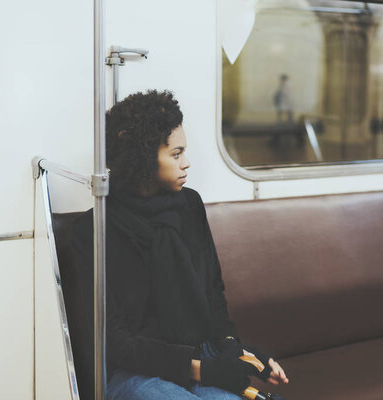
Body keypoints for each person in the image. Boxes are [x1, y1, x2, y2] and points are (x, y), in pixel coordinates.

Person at [68, 90, 288, 400]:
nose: (186, 163)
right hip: (135, 371)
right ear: (144, 158)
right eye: (176, 154)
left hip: (201, 352)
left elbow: (213, 292)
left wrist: (235, 350)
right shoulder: (93, 230)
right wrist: (205, 370)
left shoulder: (189, 205)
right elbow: (116, 342)